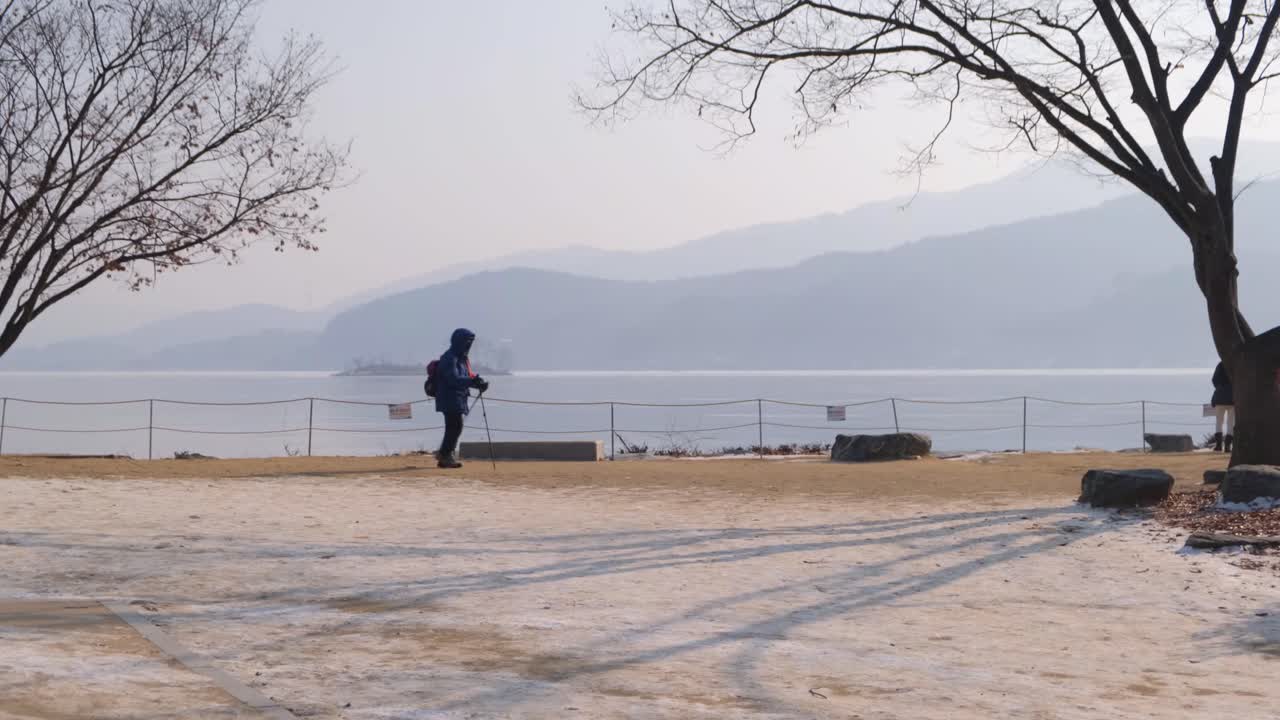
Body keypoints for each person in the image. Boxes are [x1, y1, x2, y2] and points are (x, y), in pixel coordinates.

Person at [434, 328, 489, 468]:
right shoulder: (450, 357)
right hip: (449, 398)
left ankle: (445, 455)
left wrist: (478, 383)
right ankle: (445, 455)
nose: (469, 345)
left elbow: (466, 376)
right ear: (459, 342)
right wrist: (472, 382)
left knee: (455, 427)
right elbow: (453, 379)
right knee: (455, 427)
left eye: (470, 343)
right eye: (467, 342)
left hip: (458, 398)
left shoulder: (462, 358)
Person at [1211, 360, 1234, 453]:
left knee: (1219, 422)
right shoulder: (1235, 363)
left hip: (1219, 398)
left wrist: (1220, 388)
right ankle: (1228, 446)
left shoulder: (1220, 364)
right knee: (1230, 423)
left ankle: (1219, 445)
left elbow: (1214, 379)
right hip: (1233, 398)